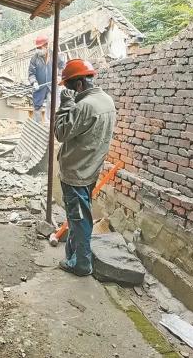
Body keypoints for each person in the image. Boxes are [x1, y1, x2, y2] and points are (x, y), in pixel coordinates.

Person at [54, 59, 116, 276]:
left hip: (76, 173)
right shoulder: (106, 100)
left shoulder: (84, 106)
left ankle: (81, 264)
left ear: (79, 84)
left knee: (79, 220)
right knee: (77, 216)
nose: (70, 92)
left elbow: (61, 133)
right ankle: (74, 255)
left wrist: (65, 105)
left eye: (69, 88)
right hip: (90, 169)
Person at [28, 35, 66, 124]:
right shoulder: (34, 58)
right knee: (37, 106)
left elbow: (62, 65)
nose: (38, 49)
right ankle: (37, 126)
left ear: (46, 46)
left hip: (51, 85)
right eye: (37, 48)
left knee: (52, 102)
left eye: (39, 47)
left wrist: (60, 76)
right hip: (39, 86)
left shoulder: (54, 55)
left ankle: (50, 125)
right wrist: (34, 82)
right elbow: (31, 73)